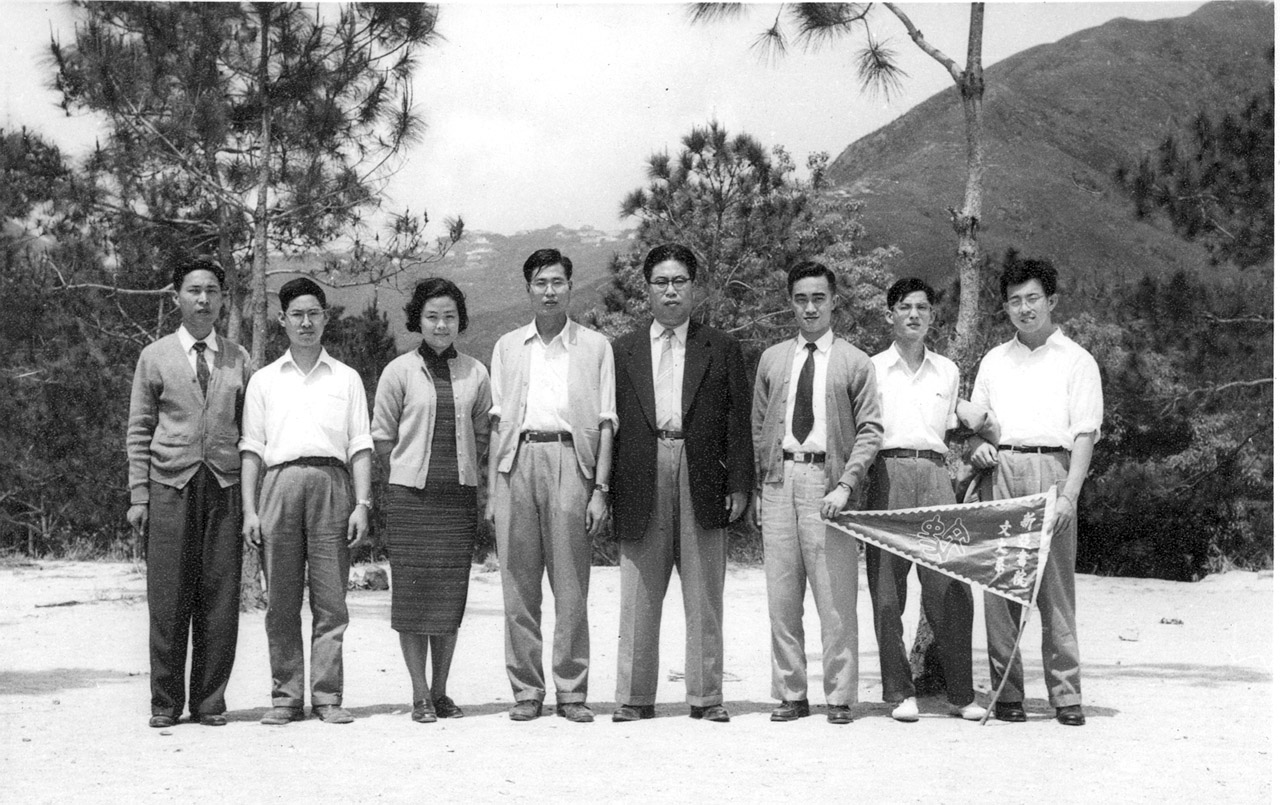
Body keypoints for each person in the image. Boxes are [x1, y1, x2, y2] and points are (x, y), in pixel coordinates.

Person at [611, 243, 755, 724]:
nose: (670, 291)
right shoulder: (622, 350)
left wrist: (740, 482)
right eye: (661, 283)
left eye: (679, 282)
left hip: (702, 473)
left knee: (704, 591)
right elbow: (608, 424)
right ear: (647, 290)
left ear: (695, 287)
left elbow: (738, 420)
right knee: (639, 592)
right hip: (641, 471)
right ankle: (633, 697)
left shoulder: (722, 347)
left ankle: (706, 696)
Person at [968, 257, 1103, 727]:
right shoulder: (993, 360)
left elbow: (1084, 434)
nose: (1024, 309)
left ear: (1052, 301)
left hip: (1053, 470)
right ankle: (1006, 694)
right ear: (1005, 307)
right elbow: (976, 426)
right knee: (999, 581)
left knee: (1054, 589)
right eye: (1014, 301)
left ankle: (1066, 695)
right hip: (1001, 470)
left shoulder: (1077, 360)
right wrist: (978, 449)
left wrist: (1069, 494)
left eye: (1032, 299)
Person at [486, 248, 615, 723]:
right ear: (528, 289)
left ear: (570, 286)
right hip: (517, 463)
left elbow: (606, 423)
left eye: (558, 282)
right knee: (518, 586)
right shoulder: (506, 347)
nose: (549, 291)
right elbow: (498, 422)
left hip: (571, 462)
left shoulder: (596, 347)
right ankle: (525, 690)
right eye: (540, 282)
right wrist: (493, 490)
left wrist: (599, 489)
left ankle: (572, 691)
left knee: (571, 585)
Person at [751, 260, 882, 725]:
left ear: (834, 302)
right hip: (779, 481)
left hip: (830, 486)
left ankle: (840, 697)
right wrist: (761, 487)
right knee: (782, 597)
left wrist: (847, 483)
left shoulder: (854, 361)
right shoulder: (772, 359)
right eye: (801, 299)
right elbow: (760, 425)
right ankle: (790, 692)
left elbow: (870, 430)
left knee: (835, 598)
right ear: (791, 302)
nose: (810, 308)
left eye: (818, 298)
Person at [240, 277, 374, 726]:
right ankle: (285, 696)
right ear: (282, 320)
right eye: (296, 314)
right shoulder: (263, 380)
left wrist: (362, 503)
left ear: (325, 317)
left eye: (313, 313)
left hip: (332, 485)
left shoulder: (347, 377)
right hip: (278, 485)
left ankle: (327, 696)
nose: (305, 322)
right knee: (280, 598)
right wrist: (250, 509)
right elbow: (251, 449)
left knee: (331, 598)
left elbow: (360, 444)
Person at [126, 257, 252, 728]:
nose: (204, 300)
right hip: (169, 486)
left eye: (213, 291)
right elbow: (139, 430)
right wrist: (139, 495)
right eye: (194, 290)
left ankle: (209, 701)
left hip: (223, 485)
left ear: (222, 299)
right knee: (168, 596)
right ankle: (164, 702)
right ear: (176, 296)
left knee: (219, 597)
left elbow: (250, 430)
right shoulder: (154, 356)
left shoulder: (239, 357)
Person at [866, 277, 998, 723]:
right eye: (905, 307)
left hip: (936, 475)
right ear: (890, 315)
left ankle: (961, 693)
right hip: (887, 475)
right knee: (887, 593)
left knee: (949, 588)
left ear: (932, 315)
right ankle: (899, 692)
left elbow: (953, 429)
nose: (915, 315)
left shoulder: (947, 370)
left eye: (923, 307)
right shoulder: (871, 368)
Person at [372, 278, 491, 723]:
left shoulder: (476, 372)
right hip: (410, 502)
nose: (441, 325)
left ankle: (442, 691)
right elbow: (382, 436)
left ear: (460, 321)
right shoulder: (398, 371)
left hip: (457, 500)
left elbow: (483, 434)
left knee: (448, 600)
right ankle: (419, 694)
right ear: (417, 321)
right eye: (432, 316)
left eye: (449, 317)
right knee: (412, 599)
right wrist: (407, 473)